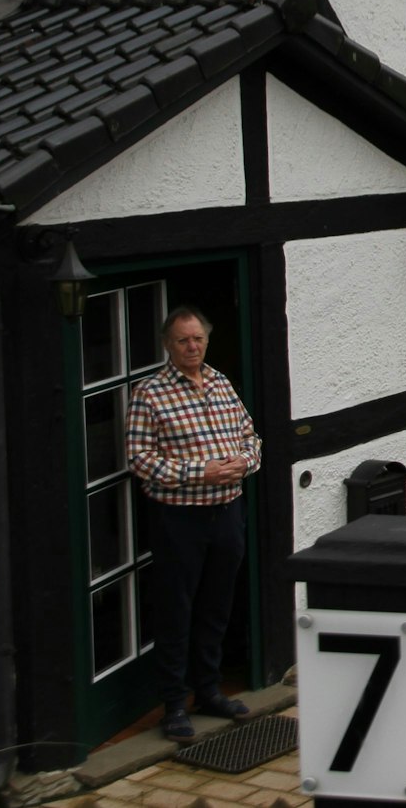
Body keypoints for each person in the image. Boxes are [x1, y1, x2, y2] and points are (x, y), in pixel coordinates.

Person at [126, 305, 261, 742]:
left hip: (227, 513)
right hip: (180, 519)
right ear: (169, 345)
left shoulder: (221, 382)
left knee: (217, 607)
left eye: (198, 338)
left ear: (206, 339)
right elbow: (140, 460)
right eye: (183, 340)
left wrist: (244, 462)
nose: (192, 346)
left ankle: (208, 692)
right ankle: (172, 706)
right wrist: (199, 473)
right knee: (176, 611)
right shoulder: (150, 394)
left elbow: (250, 436)